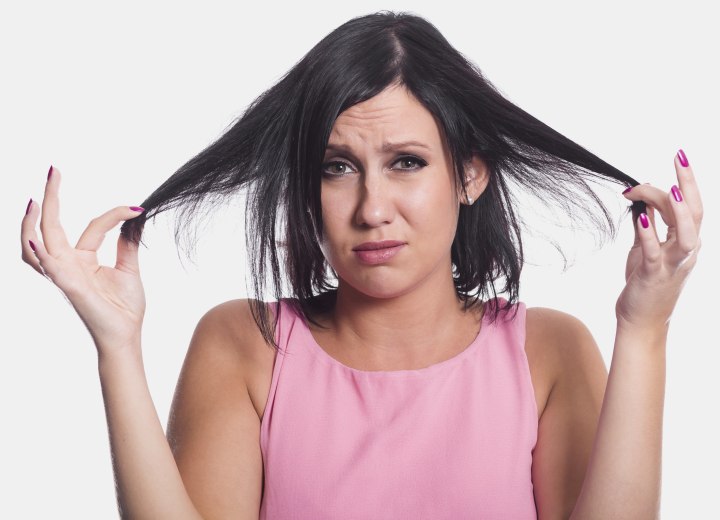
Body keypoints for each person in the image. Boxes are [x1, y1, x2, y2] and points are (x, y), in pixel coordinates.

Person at [20, 10, 702, 520]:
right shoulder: (243, 345)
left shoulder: (549, 352)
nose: (373, 208)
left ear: (469, 174)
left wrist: (645, 330)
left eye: (407, 162)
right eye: (337, 168)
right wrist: (117, 349)